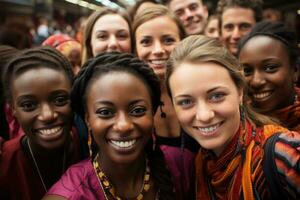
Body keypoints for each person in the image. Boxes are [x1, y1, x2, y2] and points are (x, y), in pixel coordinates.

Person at [43, 52, 195, 200]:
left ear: (153, 113)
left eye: (138, 111)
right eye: (105, 112)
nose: (123, 126)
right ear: (87, 119)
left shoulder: (184, 165)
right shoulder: (69, 194)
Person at [166, 35, 300, 199]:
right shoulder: (202, 163)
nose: (204, 115)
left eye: (216, 96)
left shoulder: (285, 153)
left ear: (240, 92)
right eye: (186, 101)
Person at [0, 46, 82, 200]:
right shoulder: (5, 165)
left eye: (60, 100)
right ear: (13, 111)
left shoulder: (91, 148)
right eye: (29, 105)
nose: (47, 115)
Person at [133, 4, 185, 139]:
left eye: (168, 40)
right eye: (146, 42)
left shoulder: (200, 89)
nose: (158, 50)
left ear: (183, 42)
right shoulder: (128, 99)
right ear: (135, 49)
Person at [238, 21, 300, 131]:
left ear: (295, 71)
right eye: (247, 71)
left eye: (270, 68)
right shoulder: (236, 125)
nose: (256, 81)